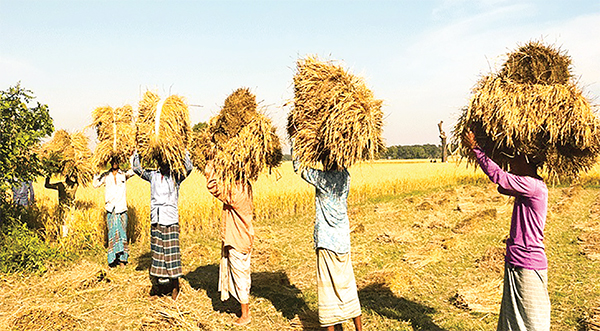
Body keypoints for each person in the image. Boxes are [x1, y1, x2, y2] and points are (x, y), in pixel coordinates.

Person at [462, 130, 550, 331]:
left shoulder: (533, 185)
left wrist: (477, 149)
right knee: (513, 319)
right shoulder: (527, 185)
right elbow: (502, 187)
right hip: (516, 259)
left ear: (527, 161)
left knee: (531, 320)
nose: (511, 164)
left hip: (528, 262)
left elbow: (499, 178)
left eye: (515, 159)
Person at [292, 148, 362, 331]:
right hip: (343, 241)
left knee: (328, 290)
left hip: (327, 241)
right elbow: (343, 164)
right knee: (347, 285)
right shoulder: (345, 177)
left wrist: (294, 140)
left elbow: (298, 167)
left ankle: (333, 327)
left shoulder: (322, 179)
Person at [131, 151, 192, 300]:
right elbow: (137, 169)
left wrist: (182, 150)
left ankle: (175, 287)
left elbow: (189, 168)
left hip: (170, 219)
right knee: (158, 253)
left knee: (171, 254)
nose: (163, 164)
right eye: (161, 160)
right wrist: (138, 152)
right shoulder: (153, 176)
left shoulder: (175, 176)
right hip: (156, 218)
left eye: (166, 161)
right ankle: (158, 287)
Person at [205, 161, 254, 326]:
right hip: (245, 237)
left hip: (237, 239)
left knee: (240, 276)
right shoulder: (246, 186)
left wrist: (210, 166)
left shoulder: (235, 191)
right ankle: (244, 307)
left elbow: (213, 187)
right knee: (244, 274)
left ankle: (245, 315)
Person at [93, 158, 135, 267]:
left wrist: (131, 157)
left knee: (122, 233)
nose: (115, 163)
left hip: (121, 208)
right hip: (111, 208)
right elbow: (95, 184)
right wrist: (96, 170)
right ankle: (113, 259)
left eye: (117, 161)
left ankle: (122, 260)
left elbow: (134, 170)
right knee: (112, 232)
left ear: (119, 162)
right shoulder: (106, 175)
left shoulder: (124, 174)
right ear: (110, 163)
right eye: (113, 162)